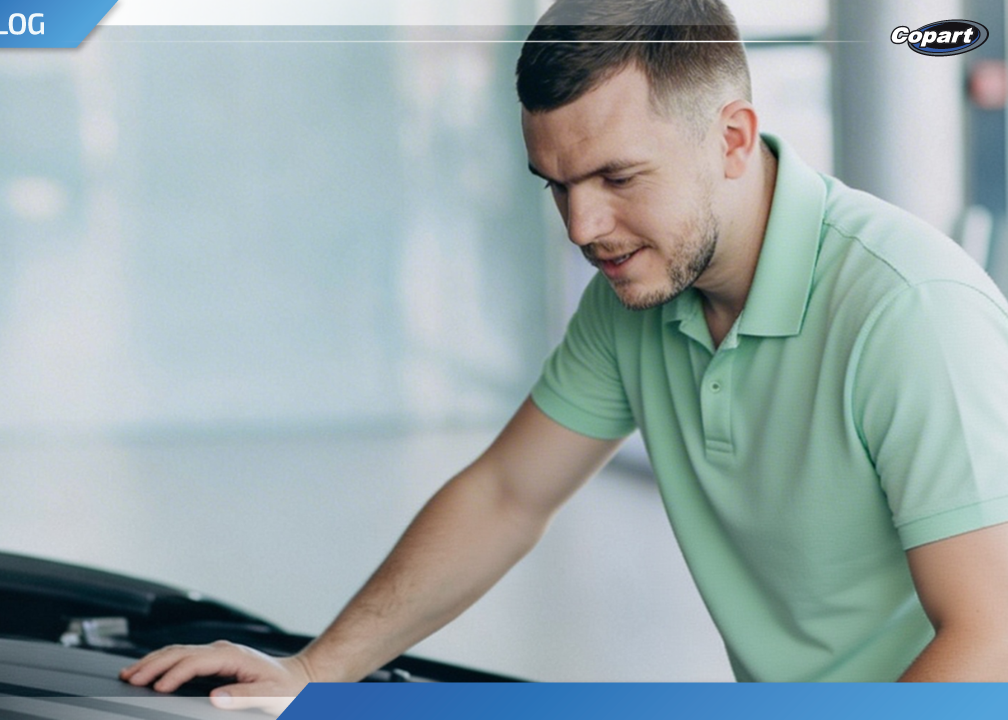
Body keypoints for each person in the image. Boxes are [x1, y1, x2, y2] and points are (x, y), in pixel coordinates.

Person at [120, 0, 1008, 709]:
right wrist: (316, 672)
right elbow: (508, 494)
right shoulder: (636, 296)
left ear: (732, 138)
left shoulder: (909, 309)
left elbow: (991, 639)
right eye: (559, 186)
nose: (582, 229)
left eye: (618, 178)